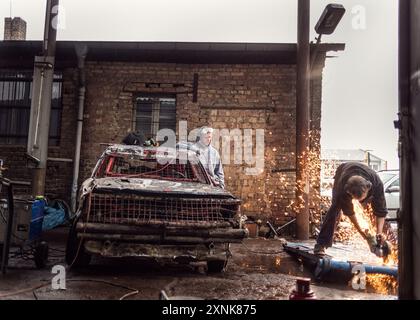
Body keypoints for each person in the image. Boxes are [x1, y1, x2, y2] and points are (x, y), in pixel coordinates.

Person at [314, 162, 388, 256]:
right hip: (342, 170)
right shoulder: (343, 189)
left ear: (368, 188)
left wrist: (379, 233)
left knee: (374, 210)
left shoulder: (377, 183)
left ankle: (389, 246)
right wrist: (363, 234)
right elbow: (350, 213)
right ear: (348, 192)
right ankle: (321, 244)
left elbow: (381, 212)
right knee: (335, 208)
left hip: (365, 178)